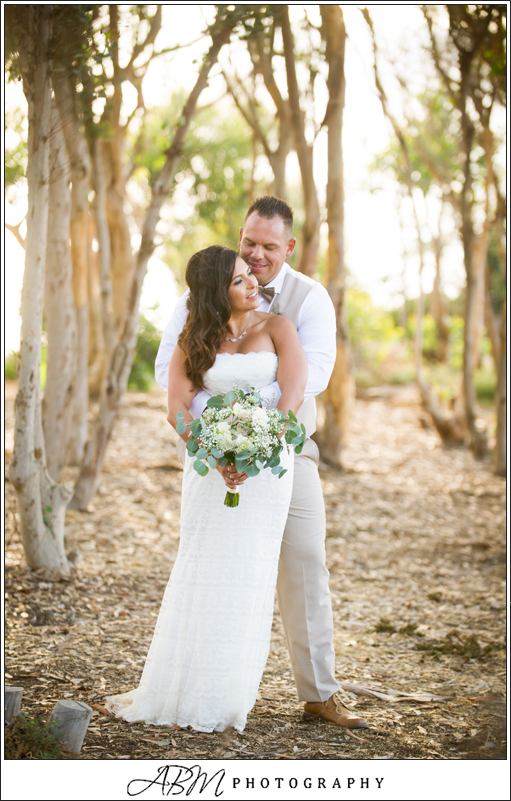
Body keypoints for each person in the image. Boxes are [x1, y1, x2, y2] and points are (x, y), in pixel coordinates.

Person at [154, 196, 368, 730]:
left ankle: (320, 693)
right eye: (249, 243)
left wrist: (254, 433)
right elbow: (169, 372)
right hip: (211, 455)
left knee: (303, 562)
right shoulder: (200, 292)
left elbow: (312, 375)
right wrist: (217, 439)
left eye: (268, 246)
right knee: (209, 566)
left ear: (288, 246)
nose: (255, 255)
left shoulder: (308, 300)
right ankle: (197, 684)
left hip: (289, 452)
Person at [106, 245, 308, 732]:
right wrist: (217, 458)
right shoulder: (191, 338)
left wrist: (257, 449)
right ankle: (185, 688)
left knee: (250, 571)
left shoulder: (278, 327)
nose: (251, 284)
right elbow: (176, 406)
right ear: (217, 293)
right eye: (239, 280)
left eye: (248, 277)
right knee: (203, 566)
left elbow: (293, 395)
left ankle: (226, 695)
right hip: (207, 469)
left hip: (266, 468)